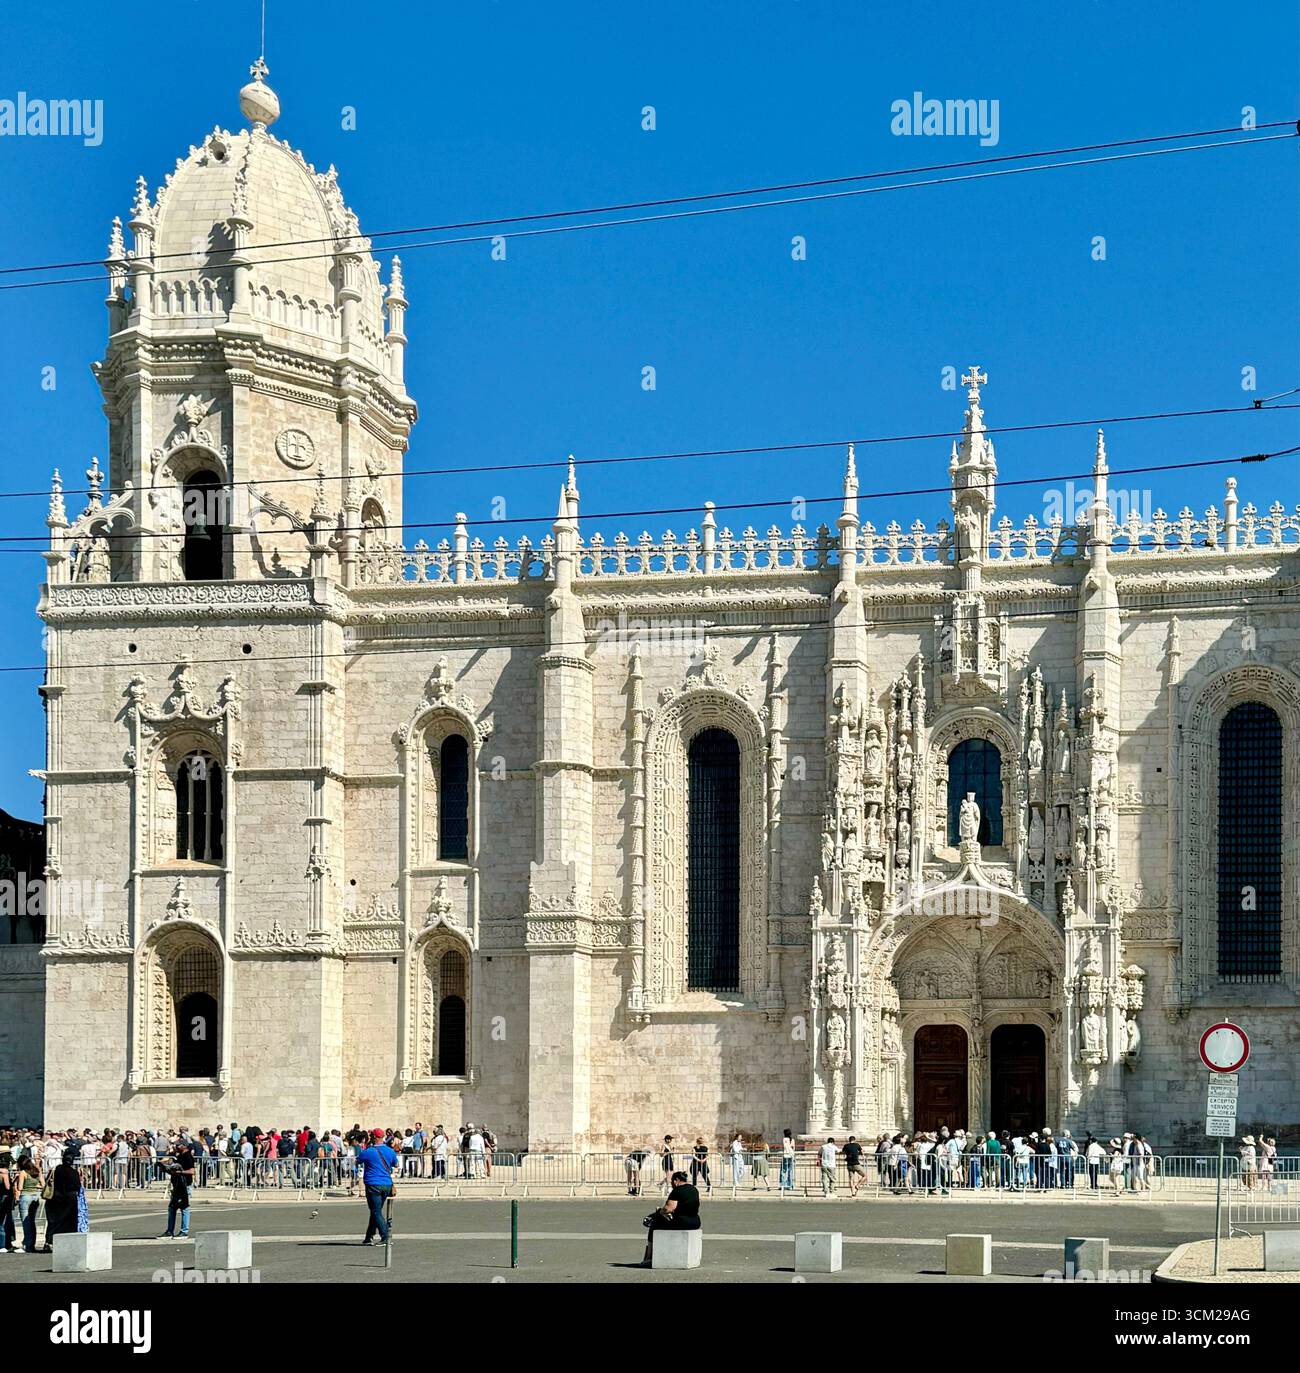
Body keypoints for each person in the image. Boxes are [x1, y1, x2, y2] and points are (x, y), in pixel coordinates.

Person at [641, 1170, 700, 1266]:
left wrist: (659, 1211)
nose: (671, 1184)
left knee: (654, 1224)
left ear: (676, 1180)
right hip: (695, 1221)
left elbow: (669, 1209)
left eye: (672, 1181)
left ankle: (649, 1257)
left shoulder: (677, 1190)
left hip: (682, 1221)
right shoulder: (693, 1189)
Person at [356, 1128, 398, 1246]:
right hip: (386, 1184)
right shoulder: (390, 1151)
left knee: (375, 1210)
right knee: (376, 1210)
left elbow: (358, 1161)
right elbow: (395, 1164)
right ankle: (369, 1236)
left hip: (373, 1183)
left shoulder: (369, 1151)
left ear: (373, 1137)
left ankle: (385, 1236)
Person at [41, 1150, 83, 1252]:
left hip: (55, 1199)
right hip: (69, 1200)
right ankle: (67, 1243)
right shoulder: (73, 1172)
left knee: (53, 1222)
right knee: (69, 1222)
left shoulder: (55, 1170)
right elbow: (77, 1186)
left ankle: (49, 1242)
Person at [159, 1142, 195, 1239]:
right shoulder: (179, 1156)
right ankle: (170, 1231)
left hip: (185, 1185)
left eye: (178, 1145)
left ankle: (184, 1231)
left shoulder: (188, 1156)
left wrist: (180, 1172)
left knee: (184, 1207)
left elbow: (192, 1171)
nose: (176, 1147)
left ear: (184, 1146)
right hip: (177, 1184)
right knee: (172, 1207)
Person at [14, 1156, 43, 1252]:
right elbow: (43, 1184)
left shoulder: (23, 1173)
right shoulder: (37, 1171)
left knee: (25, 1222)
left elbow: (20, 1187)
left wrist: (17, 1179)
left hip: (26, 1196)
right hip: (35, 1196)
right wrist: (35, 1185)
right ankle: (31, 1244)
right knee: (32, 1221)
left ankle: (26, 1244)